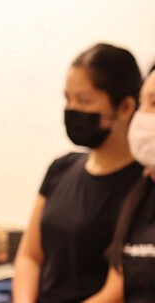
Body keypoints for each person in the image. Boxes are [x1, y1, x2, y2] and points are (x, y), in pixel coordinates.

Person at [12, 43, 144, 303]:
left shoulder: (143, 186)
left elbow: (118, 289)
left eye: (83, 101)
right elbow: (29, 256)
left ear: (126, 107)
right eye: (67, 98)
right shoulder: (61, 168)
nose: (72, 109)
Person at [105, 64, 155, 302]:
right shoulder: (140, 194)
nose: (143, 115)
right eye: (143, 103)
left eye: (154, 104)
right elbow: (114, 291)